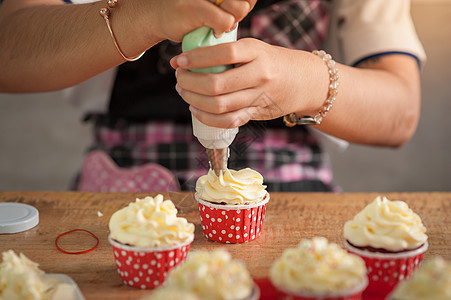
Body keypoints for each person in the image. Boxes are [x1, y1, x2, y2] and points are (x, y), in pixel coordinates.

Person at [0, 0, 425, 192]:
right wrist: (142, 16)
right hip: (122, 186)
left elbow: (399, 111)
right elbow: (10, 51)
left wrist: (304, 80)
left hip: (294, 189)